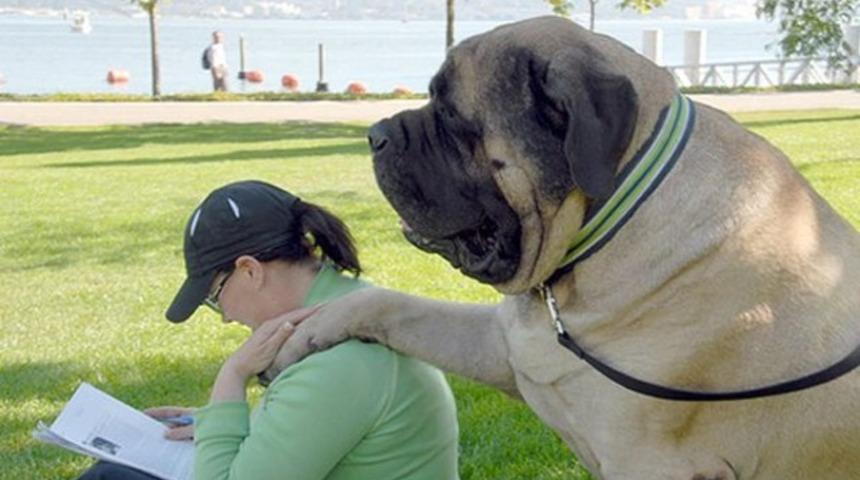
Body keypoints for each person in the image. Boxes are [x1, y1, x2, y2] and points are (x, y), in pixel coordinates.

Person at [78, 180, 459, 480]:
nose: (225, 316)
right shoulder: (349, 307)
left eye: (214, 297)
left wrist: (232, 375)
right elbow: (312, 425)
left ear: (249, 271)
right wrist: (216, 423)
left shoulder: (338, 361)